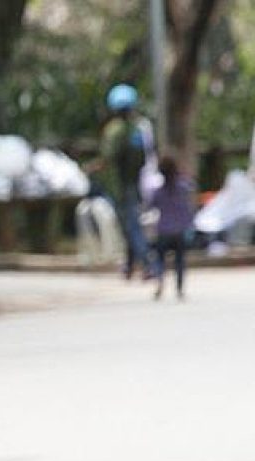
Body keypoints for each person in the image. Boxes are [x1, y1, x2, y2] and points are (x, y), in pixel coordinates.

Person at [91, 83, 156, 280]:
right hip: (134, 182)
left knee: (131, 225)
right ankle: (129, 267)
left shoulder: (114, 130)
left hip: (119, 185)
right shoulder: (137, 128)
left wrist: (93, 168)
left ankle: (146, 264)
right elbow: (144, 158)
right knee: (129, 223)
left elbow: (108, 158)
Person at [147, 155, 195, 300]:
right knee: (180, 260)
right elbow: (191, 188)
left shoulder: (158, 191)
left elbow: (151, 205)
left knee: (160, 258)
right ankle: (179, 288)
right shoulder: (183, 187)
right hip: (180, 230)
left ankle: (160, 281)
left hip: (164, 230)